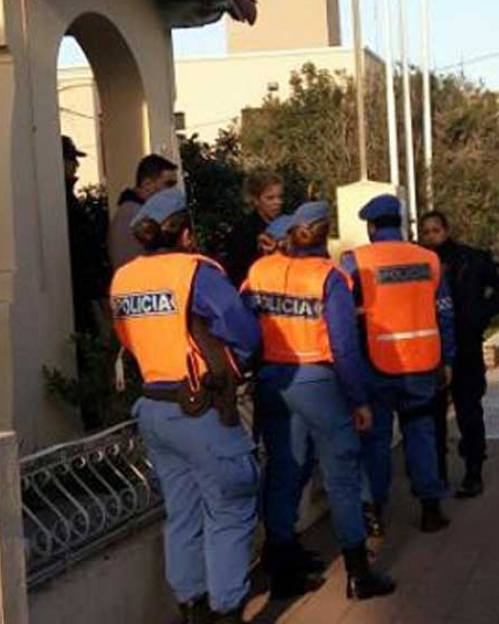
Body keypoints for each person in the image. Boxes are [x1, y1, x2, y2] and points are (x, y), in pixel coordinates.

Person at [110, 188, 262, 624]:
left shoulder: (124, 279)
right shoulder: (195, 272)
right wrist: (235, 363)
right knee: (230, 509)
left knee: (182, 513)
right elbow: (244, 331)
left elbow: (127, 339)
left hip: (154, 406)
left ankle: (190, 609)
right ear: (186, 233)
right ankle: (227, 610)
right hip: (199, 408)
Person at [245, 203, 396, 601]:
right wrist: (359, 400)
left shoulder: (260, 272)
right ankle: (358, 574)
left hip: (274, 380)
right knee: (342, 474)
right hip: (317, 381)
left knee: (284, 470)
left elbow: (245, 328)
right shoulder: (328, 277)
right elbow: (344, 347)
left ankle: (281, 568)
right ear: (325, 233)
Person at [340, 194, 454, 537]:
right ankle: (430, 509)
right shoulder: (429, 259)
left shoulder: (355, 261)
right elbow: (445, 313)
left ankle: (375, 513)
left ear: (372, 227)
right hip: (421, 364)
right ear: (400, 223)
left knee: (376, 441)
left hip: (375, 366)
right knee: (421, 434)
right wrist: (447, 358)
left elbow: (343, 315)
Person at [418, 210, 499, 497]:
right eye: (426, 231)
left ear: (446, 230)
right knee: (433, 417)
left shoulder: (471, 259)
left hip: (466, 346)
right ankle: (437, 475)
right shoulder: (418, 263)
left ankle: (474, 471)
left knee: (469, 412)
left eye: (436, 230)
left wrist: (481, 314)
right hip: (430, 349)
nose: (431, 236)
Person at [62, 135, 110, 337]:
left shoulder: (67, 198)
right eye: (71, 159)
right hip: (79, 289)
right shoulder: (62, 200)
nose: (76, 165)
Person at [108, 154, 179, 270]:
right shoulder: (138, 215)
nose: (173, 191)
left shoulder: (129, 210)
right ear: (147, 185)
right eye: (168, 184)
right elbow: (166, 261)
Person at [224, 172, 284, 286]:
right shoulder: (243, 231)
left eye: (280, 197)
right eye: (270, 198)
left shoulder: (287, 224)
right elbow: (236, 270)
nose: (278, 202)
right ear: (256, 200)